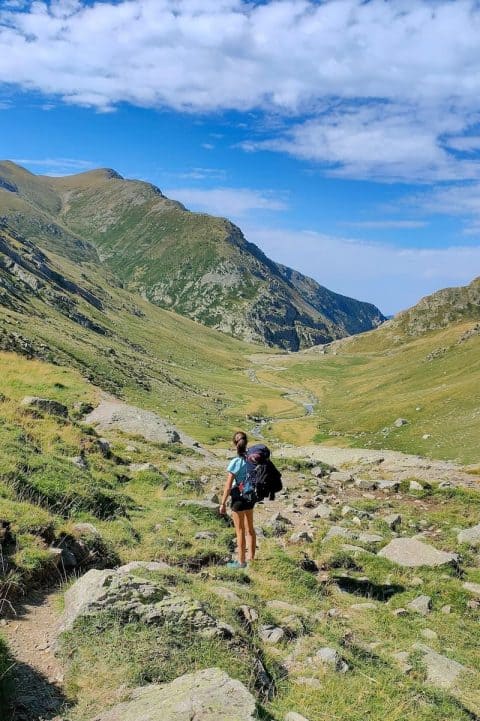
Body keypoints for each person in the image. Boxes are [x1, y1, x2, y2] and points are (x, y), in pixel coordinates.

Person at [219, 431, 257, 569]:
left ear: (235, 444)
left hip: (238, 499)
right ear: (246, 443)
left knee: (240, 531)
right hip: (250, 497)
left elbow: (228, 485)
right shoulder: (252, 459)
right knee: (250, 529)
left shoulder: (235, 462)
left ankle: (241, 562)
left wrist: (222, 503)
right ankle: (251, 559)